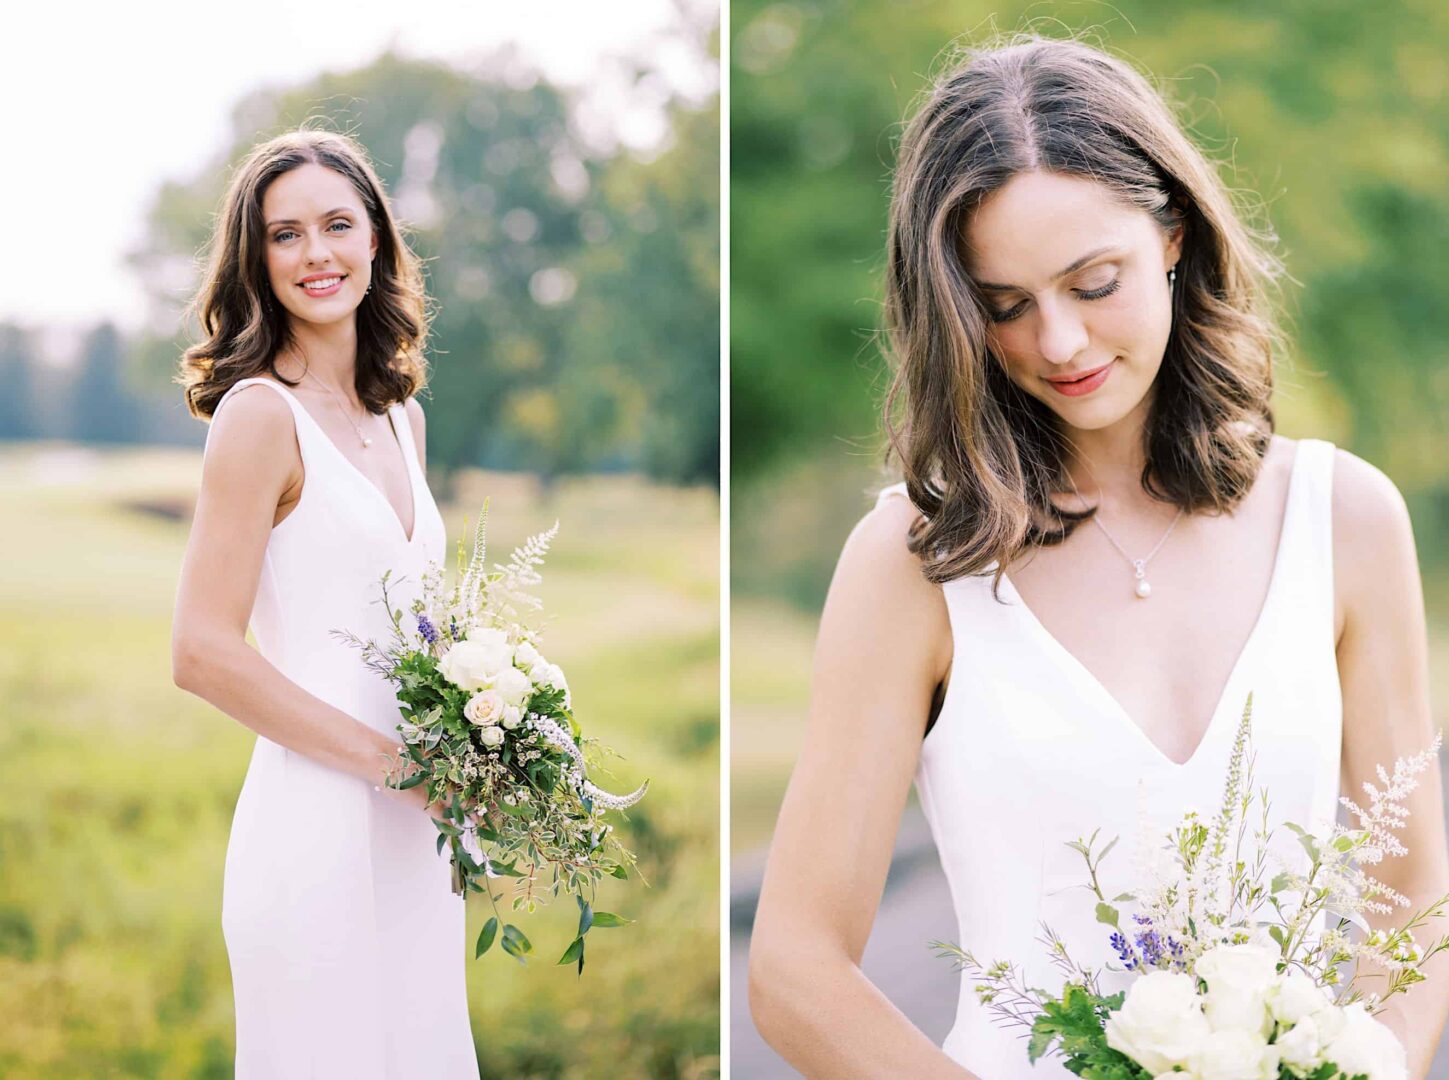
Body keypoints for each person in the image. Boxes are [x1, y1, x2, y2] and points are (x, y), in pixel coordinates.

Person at [748, 35, 1449, 1079]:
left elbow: (1412, 910)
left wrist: (1366, 1066)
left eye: (1094, 282)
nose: (1061, 343)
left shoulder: (1345, 519)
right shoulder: (912, 563)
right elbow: (794, 969)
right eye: (1005, 307)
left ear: (1172, 235)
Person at [170, 128, 479, 1078]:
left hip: (415, 828)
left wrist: (486, 729)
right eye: (286, 235)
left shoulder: (403, 417)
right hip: (316, 825)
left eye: (338, 225)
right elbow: (200, 651)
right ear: (256, 260)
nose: (317, 255)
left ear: (377, 239)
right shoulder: (259, 416)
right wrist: (394, 767)